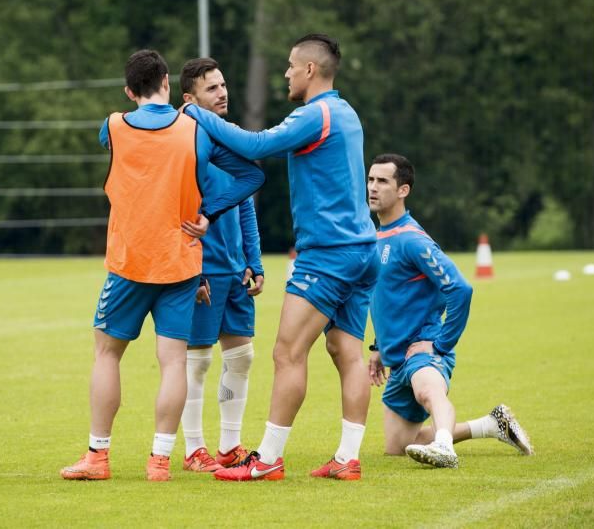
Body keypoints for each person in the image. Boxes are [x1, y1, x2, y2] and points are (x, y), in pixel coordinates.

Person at [60, 50, 264, 482]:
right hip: (182, 263)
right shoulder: (194, 130)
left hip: (129, 262)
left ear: (129, 90)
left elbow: (115, 145)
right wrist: (209, 211)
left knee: (107, 354)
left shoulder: (113, 125)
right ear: (169, 82)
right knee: (174, 363)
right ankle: (160, 461)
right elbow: (250, 176)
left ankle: (98, 457)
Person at [182, 34, 378, 482]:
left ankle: (267, 459)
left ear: (311, 70)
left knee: (287, 353)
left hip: (327, 255)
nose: (286, 73)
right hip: (363, 250)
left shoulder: (316, 114)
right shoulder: (347, 112)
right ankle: (348, 458)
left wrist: (196, 115)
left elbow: (254, 147)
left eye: (291, 66)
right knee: (344, 349)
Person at [365, 153, 534, 468]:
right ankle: (491, 424)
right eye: (371, 179)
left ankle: (444, 446)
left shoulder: (413, 240)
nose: (373, 187)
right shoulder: (378, 236)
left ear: (403, 190)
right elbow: (390, 297)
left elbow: (460, 289)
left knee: (428, 392)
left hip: (424, 348)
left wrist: (440, 344)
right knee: (399, 445)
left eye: (383, 181)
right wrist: (378, 346)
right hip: (396, 356)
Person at [177, 57, 265, 473]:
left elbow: (245, 208)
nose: (223, 93)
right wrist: (190, 270)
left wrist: (254, 261)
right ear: (189, 99)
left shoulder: (232, 142)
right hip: (202, 268)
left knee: (242, 357)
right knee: (197, 360)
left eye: (224, 85)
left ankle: (229, 446)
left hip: (235, 270)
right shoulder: (186, 143)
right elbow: (174, 212)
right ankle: (194, 449)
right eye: (212, 88)